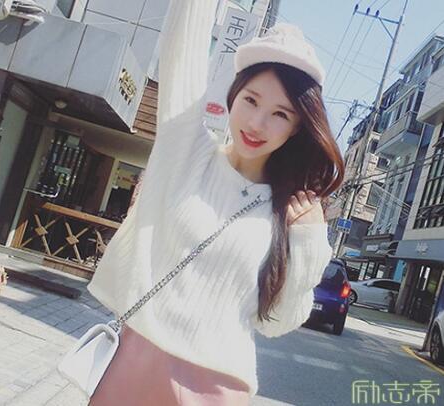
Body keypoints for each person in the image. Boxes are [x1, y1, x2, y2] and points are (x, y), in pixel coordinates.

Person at [87, 0, 344, 404]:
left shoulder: (290, 213)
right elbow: (183, 42)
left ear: (297, 128)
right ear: (232, 96)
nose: (257, 124)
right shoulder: (187, 152)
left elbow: (277, 322)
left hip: (218, 386)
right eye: (251, 100)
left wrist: (310, 242)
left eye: (280, 114)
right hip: (136, 360)